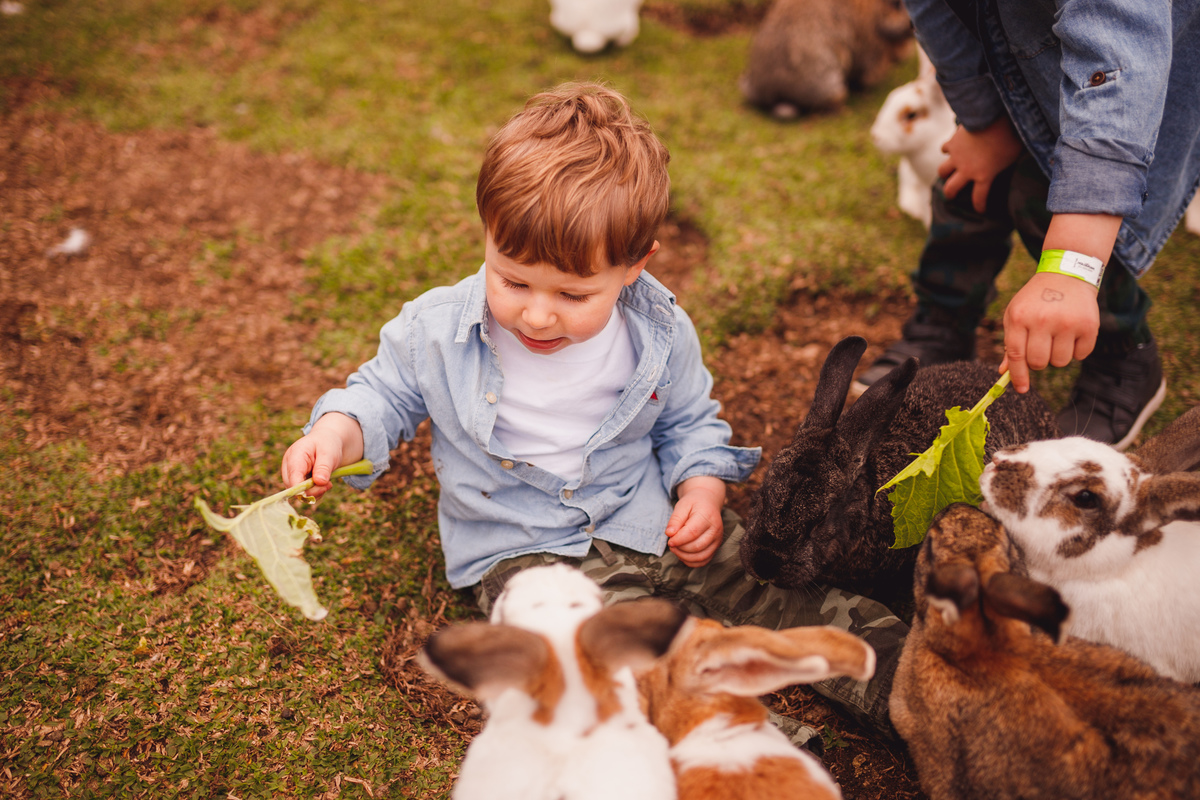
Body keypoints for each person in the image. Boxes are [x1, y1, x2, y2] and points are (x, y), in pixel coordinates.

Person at [280, 82, 906, 737]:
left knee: (785, 593)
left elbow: (691, 421)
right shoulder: (436, 331)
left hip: (648, 516)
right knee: (613, 668)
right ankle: (758, 756)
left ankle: (926, 692)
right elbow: (381, 395)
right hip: (523, 553)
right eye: (513, 280)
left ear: (636, 264)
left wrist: (701, 488)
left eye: (574, 294)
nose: (538, 313)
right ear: (488, 236)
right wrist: (334, 433)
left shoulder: (659, 333)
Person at [855, 0, 1200, 451]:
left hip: (1129, 85)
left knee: (1044, 192)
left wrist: (1069, 269)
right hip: (1020, 60)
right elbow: (937, 11)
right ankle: (944, 324)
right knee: (966, 182)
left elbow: (1121, 60)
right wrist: (985, 119)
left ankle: (1124, 358)